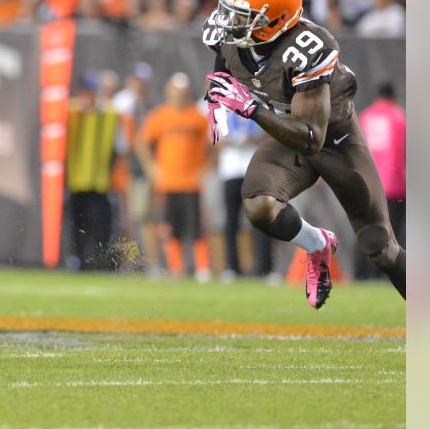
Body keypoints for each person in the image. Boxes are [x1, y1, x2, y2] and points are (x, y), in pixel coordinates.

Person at [202, 0, 406, 308]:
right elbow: (224, 67)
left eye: (243, 15)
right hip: (284, 133)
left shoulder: (308, 48)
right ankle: (316, 245)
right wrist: (218, 107)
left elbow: (311, 136)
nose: (230, 22)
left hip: (333, 138)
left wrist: (252, 109)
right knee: (259, 206)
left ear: (276, 20)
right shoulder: (230, 37)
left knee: (380, 247)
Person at [135, 73, 212, 279]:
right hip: (167, 182)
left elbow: (214, 144)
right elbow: (141, 142)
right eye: (175, 91)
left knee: (196, 228)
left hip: (191, 183)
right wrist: (151, 168)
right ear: (168, 91)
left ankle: (202, 268)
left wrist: (205, 169)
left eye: (182, 92)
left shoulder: (197, 117)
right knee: (170, 228)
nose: (178, 95)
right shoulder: (160, 116)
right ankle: (176, 267)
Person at [64, 74, 122, 272]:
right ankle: (78, 259)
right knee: (78, 225)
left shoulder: (106, 112)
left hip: (99, 182)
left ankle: (100, 261)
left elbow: (111, 114)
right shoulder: (72, 111)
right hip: (76, 181)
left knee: (100, 226)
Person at [215, 109, 274, 281]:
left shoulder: (258, 108)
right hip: (231, 171)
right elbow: (215, 139)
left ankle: (265, 268)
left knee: (261, 219)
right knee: (231, 221)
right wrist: (232, 141)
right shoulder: (221, 111)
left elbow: (269, 134)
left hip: (254, 168)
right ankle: (232, 267)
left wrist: (252, 138)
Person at [357, 82, 406, 279]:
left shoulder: (364, 117)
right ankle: (385, 275)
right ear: (393, 97)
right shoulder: (399, 117)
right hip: (393, 185)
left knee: (364, 229)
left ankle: (362, 274)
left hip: (366, 184)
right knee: (390, 232)